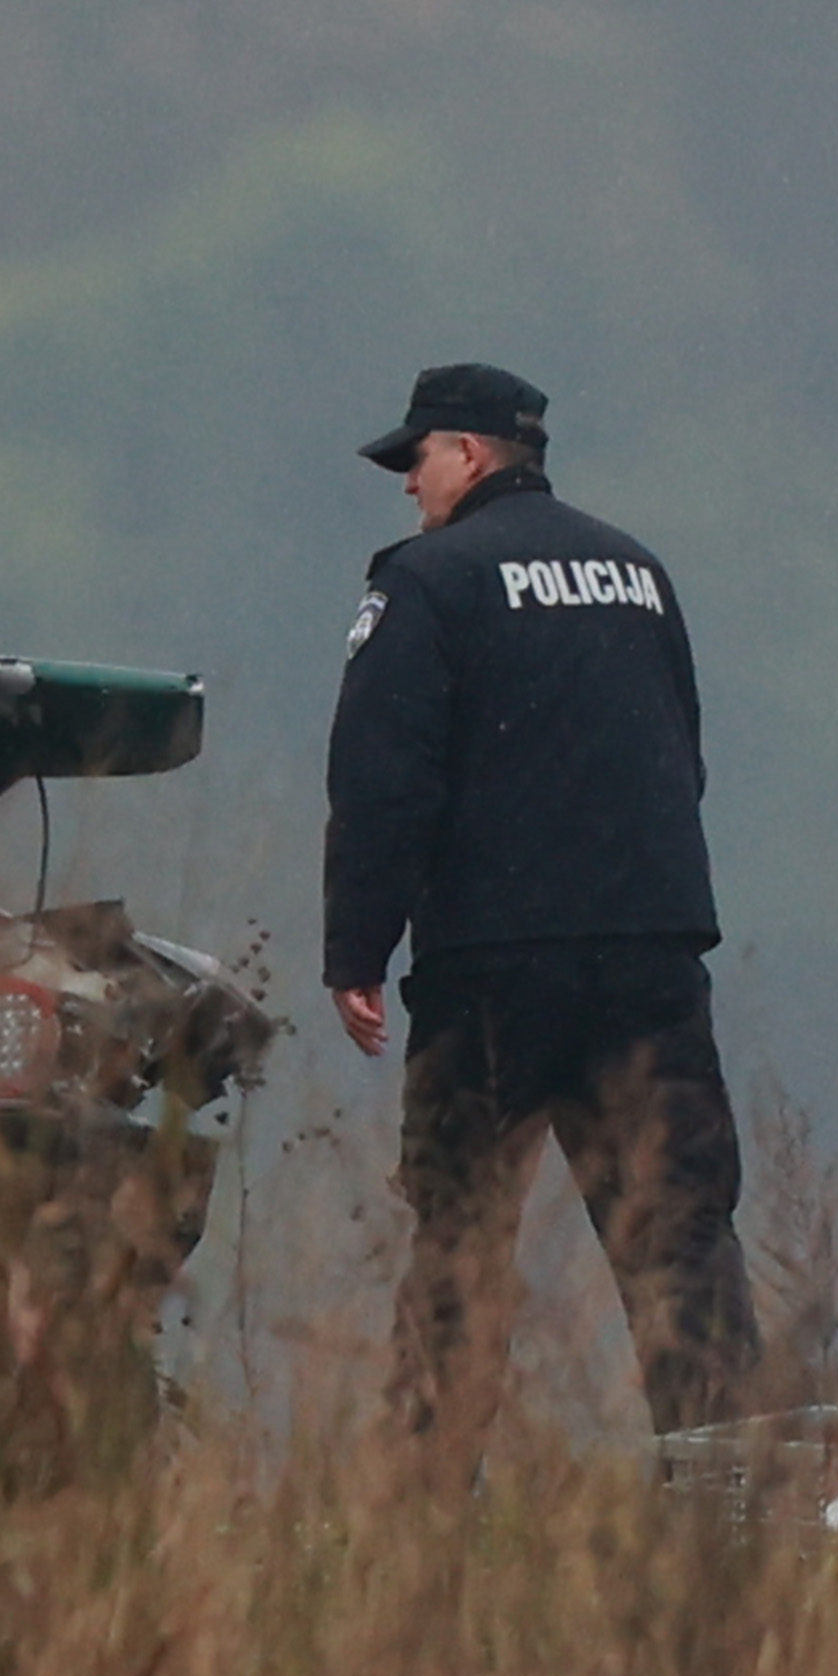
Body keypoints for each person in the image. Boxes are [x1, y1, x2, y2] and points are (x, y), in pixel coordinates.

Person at [323, 361, 758, 1462]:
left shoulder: (424, 581)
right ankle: (736, 1503)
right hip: (650, 957)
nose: (406, 485)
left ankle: (427, 1491)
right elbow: (681, 756)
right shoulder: (637, 573)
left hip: (493, 972)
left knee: (461, 1231)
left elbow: (384, 780)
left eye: (413, 459)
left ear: (465, 453)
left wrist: (353, 949)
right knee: (679, 1233)